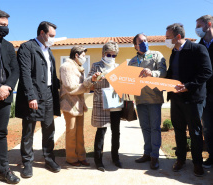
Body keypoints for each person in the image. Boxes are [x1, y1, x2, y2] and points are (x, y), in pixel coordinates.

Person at [15, 21, 61, 178]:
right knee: (28, 131)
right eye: (51, 35)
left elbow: (51, 76)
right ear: (42, 33)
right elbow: (25, 74)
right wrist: (31, 96)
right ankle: (27, 163)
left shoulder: (49, 51)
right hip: (34, 96)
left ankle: (49, 159)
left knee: (49, 129)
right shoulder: (27, 48)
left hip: (48, 95)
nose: (53, 39)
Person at [165, 23, 212, 177]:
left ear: (178, 36)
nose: (166, 40)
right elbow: (171, 73)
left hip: (193, 99)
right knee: (178, 131)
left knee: (195, 132)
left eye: (168, 37)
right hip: (176, 99)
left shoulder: (198, 49)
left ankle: (197, 163)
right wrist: (159, 82)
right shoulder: (174, 52)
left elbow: (207, 72)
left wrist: (188, 86)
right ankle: (181, 159)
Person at [0, 9, 20, 184]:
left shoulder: (8, 46)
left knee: (0, 134)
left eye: (7, 25)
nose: (6, 28)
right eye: (2, 25)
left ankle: (3, 171)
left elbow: (15, 69)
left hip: (4, 97)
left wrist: (6, 88)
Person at [128, 33, 167, 170]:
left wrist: (152, 73)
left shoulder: (157, 55)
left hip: (154, 98)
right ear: (135, 45)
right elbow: (129, 79)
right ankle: (147, 153)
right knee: (145, 128)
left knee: (155, 128)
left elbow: (163, 72)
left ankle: (155, 156)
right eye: (141, 41)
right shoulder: (132, 61)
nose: (144, 42)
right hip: (139, 99)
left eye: (145, 40)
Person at [83, 41, 122, 172]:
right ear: (103, 53)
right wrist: (93, 79)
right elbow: (86, 83)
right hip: (101, 104)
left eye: (114, 55)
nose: (111, 57)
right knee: (101, 132)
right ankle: (98, 160)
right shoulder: (96, 66)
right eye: (108, 54)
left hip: (116, 103)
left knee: (116, 132)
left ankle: (115, 157)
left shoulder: (118, 67)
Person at [60, 46, 100, 166]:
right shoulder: (66, 67)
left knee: (79, 132)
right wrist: (88, 83)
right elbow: (71, 88)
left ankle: (81, 156)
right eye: (83, 56)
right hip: (69, 104)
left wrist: (91, 82)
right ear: (76, 55)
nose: (84, 58)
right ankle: (71, 158)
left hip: (79, 104)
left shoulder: (79, 68)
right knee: (71, 132)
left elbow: (81, 87)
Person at [196, 15, 213, 169]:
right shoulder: (199, 46)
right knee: (207, 127)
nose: (197, 30)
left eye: (199, 26)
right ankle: (211, 157)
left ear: (208, 24)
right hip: (206, 93)